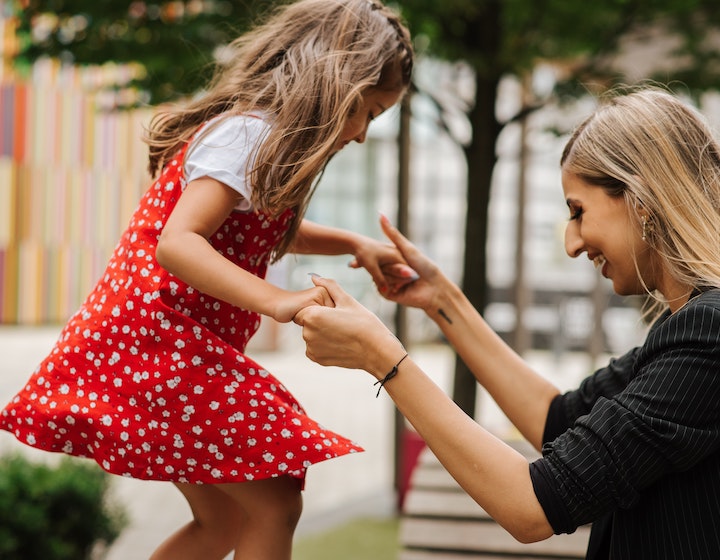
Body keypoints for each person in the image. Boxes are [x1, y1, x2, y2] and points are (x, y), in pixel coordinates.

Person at [0, 1, 414, 558]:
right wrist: (278, 301)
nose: (363, 133)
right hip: (155, 342)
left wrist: (354, 243)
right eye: (368, 110)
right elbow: (179, 242)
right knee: (275, 502)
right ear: (335, 80)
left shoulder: (259, 140)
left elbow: (261, 228)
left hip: (167, 344)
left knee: (223, 521)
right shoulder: (248, 133)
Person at [295, 88, 720, 559]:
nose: (572, 243)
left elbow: (532, 505)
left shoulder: (707, 336)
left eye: (578, 211)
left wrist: (382, 358)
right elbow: (556, 419)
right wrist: (441, 300)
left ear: (641, 199)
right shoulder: (690, 330)